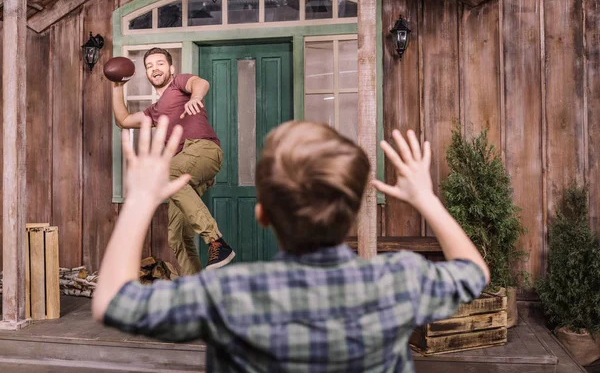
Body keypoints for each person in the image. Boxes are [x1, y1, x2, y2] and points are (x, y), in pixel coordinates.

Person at [93, 116, 490, 372]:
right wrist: (426, 199)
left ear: (262, 213)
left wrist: (142, 198)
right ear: (351, 211)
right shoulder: (400, 279)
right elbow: (475, 273)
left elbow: (113, 302)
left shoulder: (226, 295)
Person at [111, 48, 235, 273]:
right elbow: (124, 119)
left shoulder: (179, 83)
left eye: (159, 63)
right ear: (147, 74)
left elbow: (201, 83)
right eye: (149, 66)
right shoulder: (155, 111)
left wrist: (195, 97)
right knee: (177, 237)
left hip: (203, 150)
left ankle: (216, 242)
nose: (154, 68)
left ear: (171, 68)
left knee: (164, 173)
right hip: (182, 168)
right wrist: (117, 85)